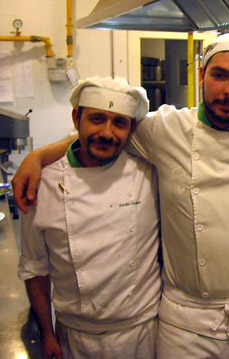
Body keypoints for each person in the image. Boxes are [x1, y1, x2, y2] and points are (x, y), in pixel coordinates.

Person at [14, 33, 229, 359]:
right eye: (220, 75)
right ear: (201, 74)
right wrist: (38, 156)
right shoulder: (164, 128)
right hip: (185, 318)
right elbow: (104, 130)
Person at [18, 76, 161, 359]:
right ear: (76, 119)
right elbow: (35, 267)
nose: (107, 133)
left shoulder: (150, 172)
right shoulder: (42, 183)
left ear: (131, 128)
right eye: (97, 119)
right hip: (75, 335)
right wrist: (47, 332)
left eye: (119, 123)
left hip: (144, 331)